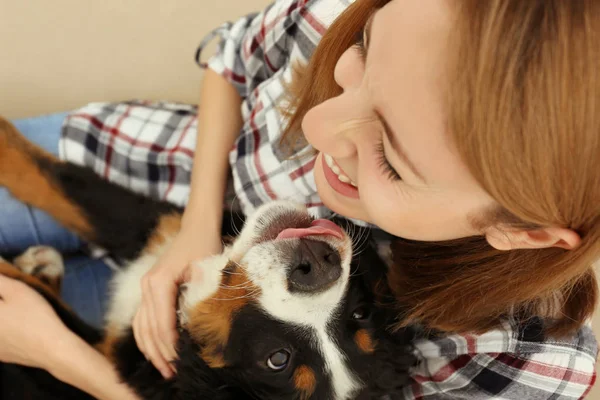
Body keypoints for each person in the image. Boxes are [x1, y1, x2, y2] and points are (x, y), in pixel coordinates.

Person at [1, 0, 598, 398]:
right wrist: (199, 223)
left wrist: (58, 353)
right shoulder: (375, 10)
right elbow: (230, 54)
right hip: (142, 158)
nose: (317, 129)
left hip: (166, 351)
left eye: (390, 158)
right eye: (359, 58)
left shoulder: (528, 361)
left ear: (521, 232)